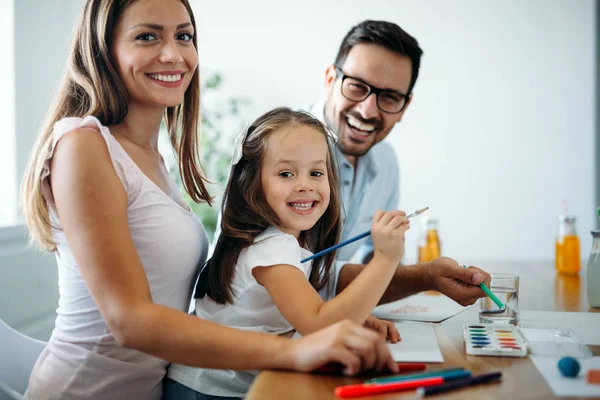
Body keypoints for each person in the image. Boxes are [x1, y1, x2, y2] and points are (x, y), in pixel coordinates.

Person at [19, 2, 399, 399]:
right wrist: (297, 349)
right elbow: (129, 321)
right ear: (103, 49)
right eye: (147, 36)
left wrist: (332, 328)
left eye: (184, 36)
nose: (173, 54)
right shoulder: (83, 144)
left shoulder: (152, 157)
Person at [164, 107, 410, 399]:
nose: (305, 185)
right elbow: (318, 324)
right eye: (286, 173)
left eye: (316, 172)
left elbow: (298, 314)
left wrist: (351, 320)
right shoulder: (271, 249)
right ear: (253, 184)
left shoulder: (284, 242)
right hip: (206, 391)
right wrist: (386, 259)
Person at [302, 20, 491, 303]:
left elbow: (371, 261)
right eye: (356, 86)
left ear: (405, 106)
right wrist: (424, 277)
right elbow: (294, 274)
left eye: (389, 97)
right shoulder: (279, 148)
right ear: (330, 79)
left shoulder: (385, 161)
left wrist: (363, 308)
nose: (367, 110)